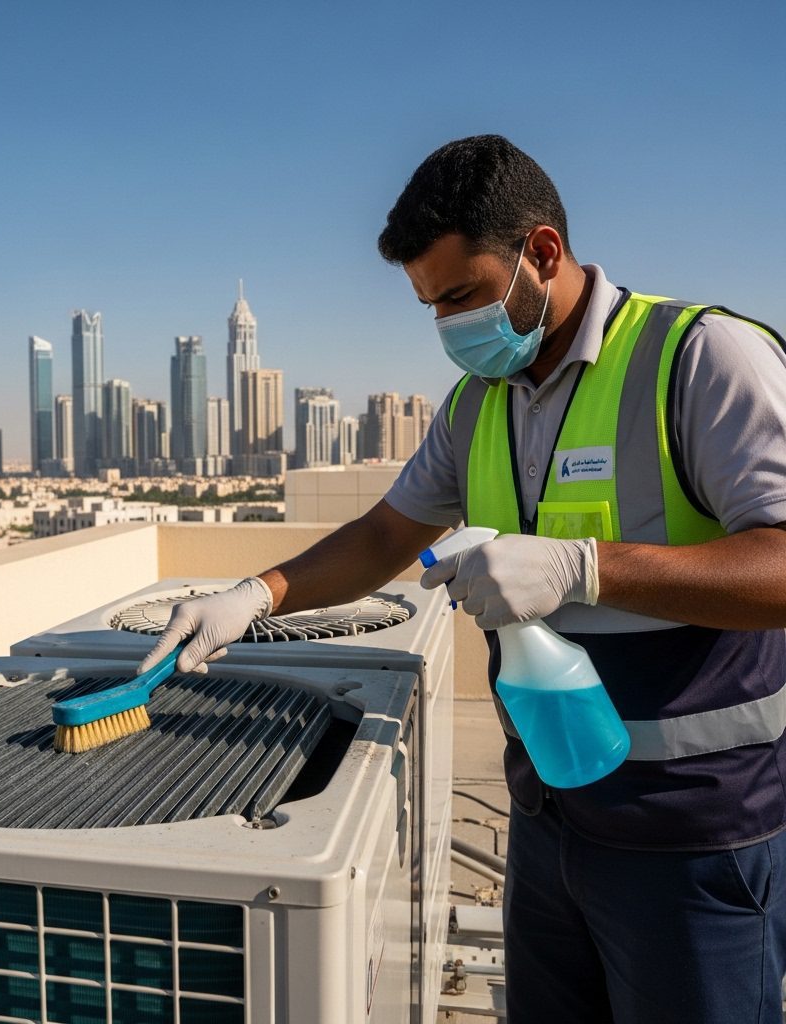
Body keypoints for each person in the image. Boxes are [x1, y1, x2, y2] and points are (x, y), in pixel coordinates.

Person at [139, 134, 786, 1023]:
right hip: (550, 813)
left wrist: (583, 567)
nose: (448, 325)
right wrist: (258, 595)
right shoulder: (482, 401)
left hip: (691, 835)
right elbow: (385, 533)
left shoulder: (698, 358)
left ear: (543, 252)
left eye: (461, 295)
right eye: (430, 306)